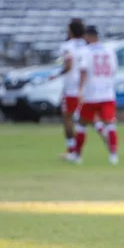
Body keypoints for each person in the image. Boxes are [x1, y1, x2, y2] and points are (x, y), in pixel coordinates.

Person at [78, 25, 119, 165]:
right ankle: (113, 155)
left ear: (88, 36)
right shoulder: (109, 50)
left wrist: (80, 91)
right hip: (107, 92)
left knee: (81, 123)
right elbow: (113, 70)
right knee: (110, 124)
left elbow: (83, 71)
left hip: (91, 93)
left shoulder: (85, 51)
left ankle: (77, 155)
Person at [50, 19, 88, 162]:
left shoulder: (67, 46)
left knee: (68, 118)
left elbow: (68, 65)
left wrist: (56, 74)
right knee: (83, 119)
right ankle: (77, 151)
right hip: (84, 87)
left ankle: (72, 150)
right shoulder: (86, 45)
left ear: (71, 31)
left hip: (71, 88)